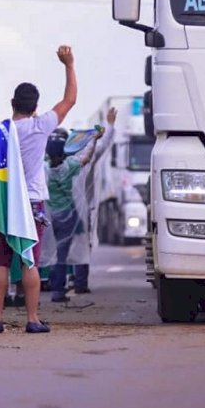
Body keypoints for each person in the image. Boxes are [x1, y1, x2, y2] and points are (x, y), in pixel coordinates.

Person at [0, 44, 78, 334]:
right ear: (35, 106)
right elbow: (70, 99)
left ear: (12, 103)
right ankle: (33, 319)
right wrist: (69, 64)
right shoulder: (41, 125)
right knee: (29, 261)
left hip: (3, 204)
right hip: (33, 203)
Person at [45, 127, 102, 302]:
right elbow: (87, 157)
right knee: (62, 254)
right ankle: (58, 290)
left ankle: (53, 283)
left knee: (53, 251)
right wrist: (93, 139)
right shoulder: (69, 166)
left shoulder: (44, 169)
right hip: (68, 216)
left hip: (49, 215)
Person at [68, 107, 117, 294]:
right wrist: (110, 125)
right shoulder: (84, 160)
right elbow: (103, 144)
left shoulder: (57, 160)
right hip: (81, 210)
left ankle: (58, 284)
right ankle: (79, 282)